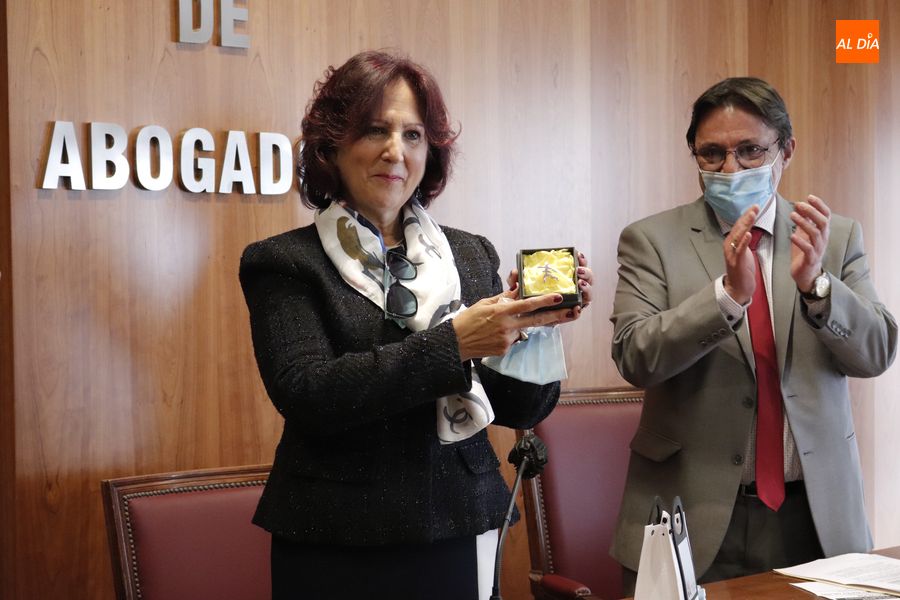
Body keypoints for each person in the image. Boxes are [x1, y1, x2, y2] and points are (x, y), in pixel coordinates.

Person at [239, 50, 593, 600]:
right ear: (332, 145)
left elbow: (520, 410)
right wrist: (454, 344)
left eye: (413, 135)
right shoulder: (284, 261)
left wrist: (532, 329)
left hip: (460, 519)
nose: (395, 151)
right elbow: (307, 393)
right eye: (374, 130)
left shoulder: (470, 254)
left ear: (432, 152)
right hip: (335, 534)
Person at [609, 77, 897, 592]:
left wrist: (818, 287)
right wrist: (725, 298)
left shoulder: (833, 237)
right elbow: (635, 356)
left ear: (786, 150)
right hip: (691, 517)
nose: (730, 169)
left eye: (750, 151)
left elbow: (876, 352)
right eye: (712, 154)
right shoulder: (650, 240)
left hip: (817, 517)